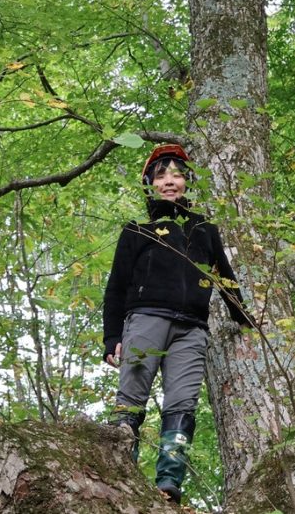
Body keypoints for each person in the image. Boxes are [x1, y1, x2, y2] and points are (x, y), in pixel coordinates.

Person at [102, 143, 251, 504]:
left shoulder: (204, 229)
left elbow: (225, 278)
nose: (170, 181)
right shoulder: (138, 229)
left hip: (192, 329)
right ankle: (120, 473)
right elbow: (117, 286)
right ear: (150, 183)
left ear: (188, 181)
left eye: (177, 174)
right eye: (161, 175)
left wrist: (244, 318)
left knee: (182, 404)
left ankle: (168, 484)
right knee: (131, 399)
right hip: (146, 319)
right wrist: (112, 338)